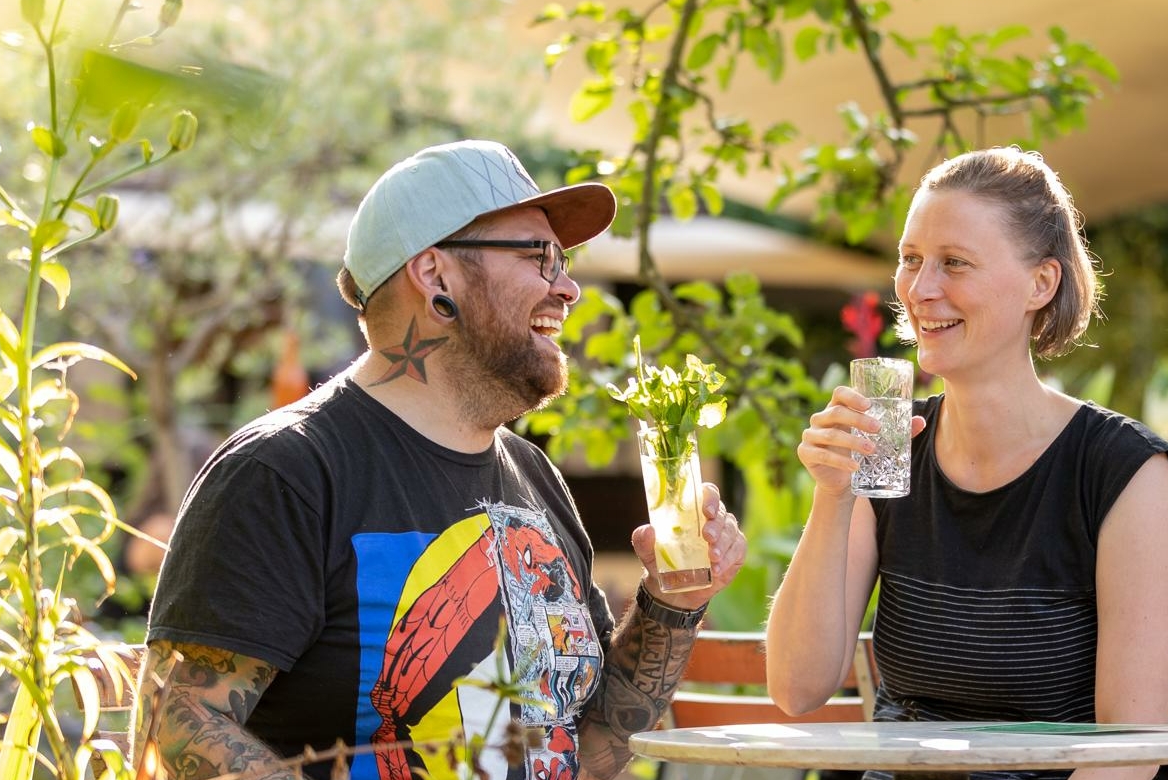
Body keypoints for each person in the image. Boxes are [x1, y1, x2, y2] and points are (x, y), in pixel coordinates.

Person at [138, 140, 747, 780]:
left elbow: (588, 750)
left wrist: (674, 602)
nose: (567, 287)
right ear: (435, 275)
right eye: (539, 256)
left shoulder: (535, 479)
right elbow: (173, 725)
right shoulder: (285, 473)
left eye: (563, 260)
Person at [765, 147, 1168, 780]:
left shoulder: (1121, 472)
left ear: (1041, 284)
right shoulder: (890, 446)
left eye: (954, 262)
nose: (919, 288)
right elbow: (797, 687)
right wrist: (833, 496)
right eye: (911, 260)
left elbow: (1125, 758)